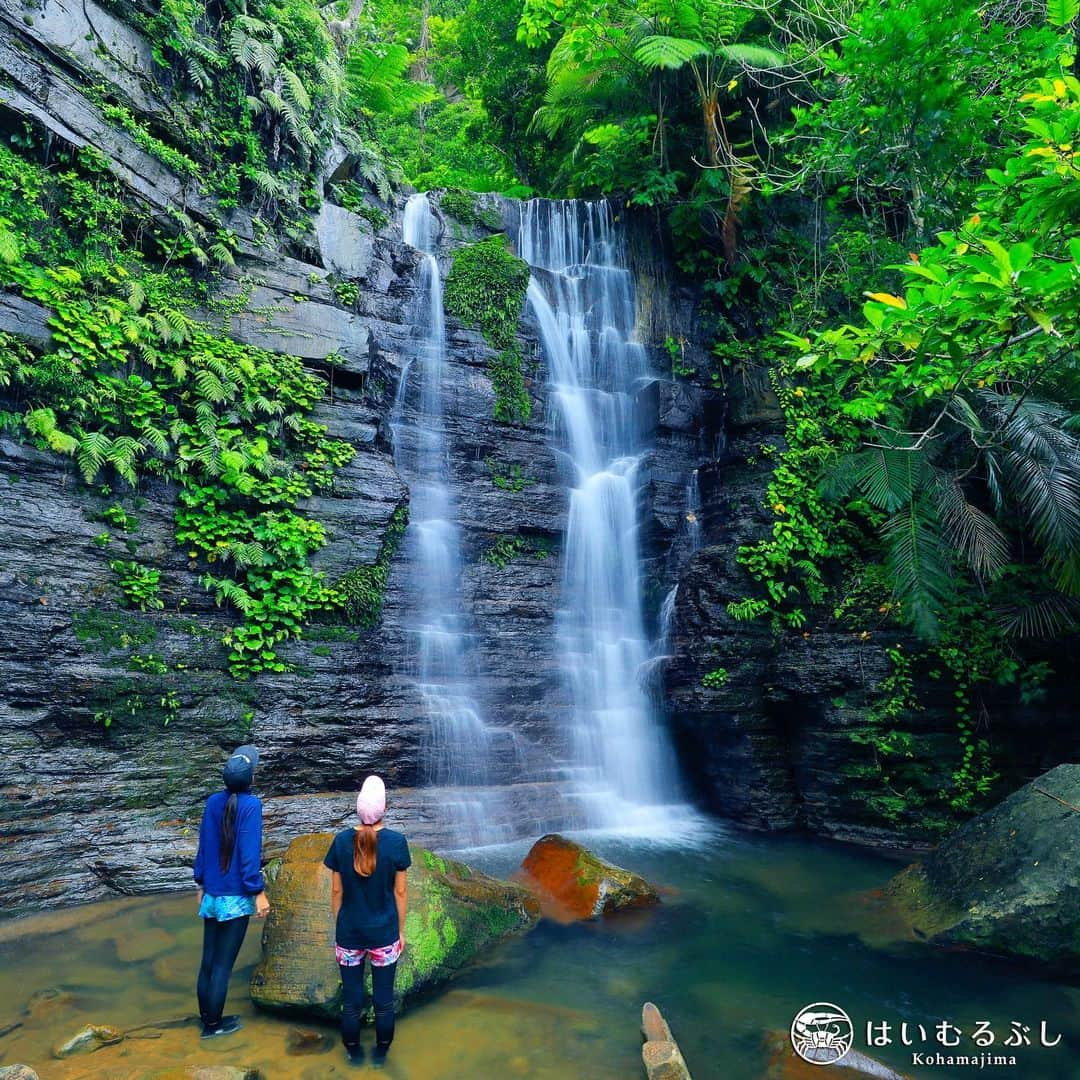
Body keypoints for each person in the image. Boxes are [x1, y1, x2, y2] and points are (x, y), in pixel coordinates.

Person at [324, 775, 411, 1068]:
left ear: (358, 807)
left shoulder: (340, 841)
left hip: (349, 932)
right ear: (384, 808)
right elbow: (400, 892)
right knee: (384, 1003)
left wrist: (342, 923)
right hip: (384, 933)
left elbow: (336, 890)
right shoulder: (397, 843)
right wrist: (399, 930)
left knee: (351, 1002)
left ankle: (353, 1054)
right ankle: (381, 1056)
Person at [193, 743, 270, 1039]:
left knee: (208, 962)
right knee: (223, 966)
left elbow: (203, 848)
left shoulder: (213, 802)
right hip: (235, 898)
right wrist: (258, 891)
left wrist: (201, 883)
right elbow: (249, 855)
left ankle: (206, 1018)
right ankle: (213, 1027)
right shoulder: (251, 806)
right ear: (251, 778)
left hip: (212, 895)